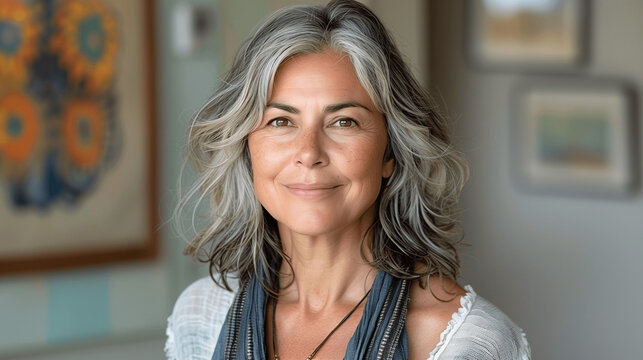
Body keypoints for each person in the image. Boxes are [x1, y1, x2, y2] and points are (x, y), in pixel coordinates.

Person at [165, 1, 531, 359]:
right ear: (247, 149)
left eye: (344, 122)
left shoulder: (469, 342)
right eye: (281, 121)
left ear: (390, 153)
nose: (309, 153)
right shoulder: (201, 318)